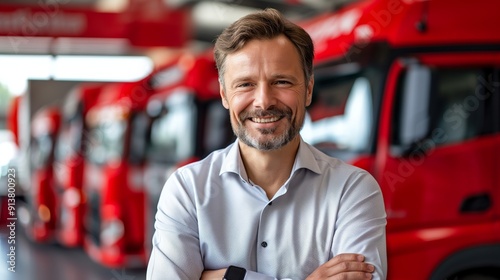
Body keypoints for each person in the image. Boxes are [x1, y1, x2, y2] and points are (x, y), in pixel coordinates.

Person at [147, 8, 387, 280]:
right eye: (246, 84)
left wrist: (224, 277)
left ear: (308, 89)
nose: (263, 101)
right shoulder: (187, 190)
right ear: (225, 94)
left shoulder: (353, 190)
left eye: (281, 81)